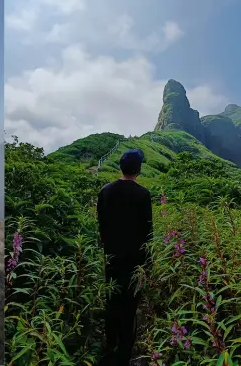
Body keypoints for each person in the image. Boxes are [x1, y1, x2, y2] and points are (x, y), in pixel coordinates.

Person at [96, 148, 153, 366]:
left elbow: (102, 225)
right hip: (134, 260)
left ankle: (109, 346)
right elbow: (148, 232)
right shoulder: (143, 194)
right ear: (138, 169)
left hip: (111, 257)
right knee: (129, 306)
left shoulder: (105, 191)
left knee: (112, 300)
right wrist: (148, 263)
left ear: (120, 167)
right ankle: (124, 353)